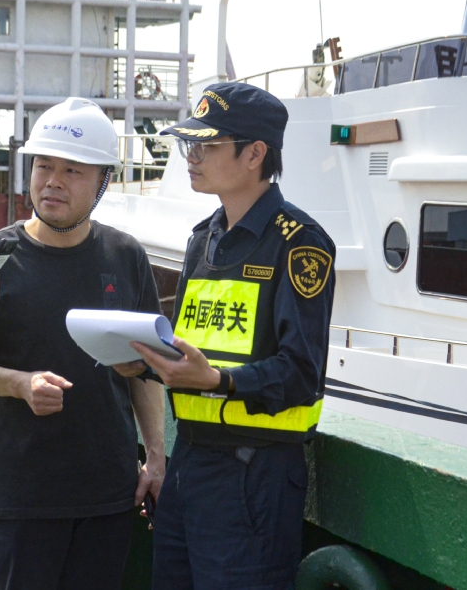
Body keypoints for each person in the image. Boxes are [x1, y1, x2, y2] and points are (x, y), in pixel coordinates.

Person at [0, 97, 167, 590]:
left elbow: (147, 369)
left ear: (102, 181)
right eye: (43, 165)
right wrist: (18, 383)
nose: (53, 181)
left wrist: (154, 454)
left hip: (109, 495)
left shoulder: (125, 256)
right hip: (22, 497)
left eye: (73, 170)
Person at [120, 82, 336, 590]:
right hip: (189, 462)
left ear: (255, 154)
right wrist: (145, 363)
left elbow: (302, 373)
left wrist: (219, 381)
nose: (191, 158)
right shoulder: (203, 239)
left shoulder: (300, 245)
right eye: (188, 145)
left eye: (206, 146)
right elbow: (198, 347)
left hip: (253, 475)